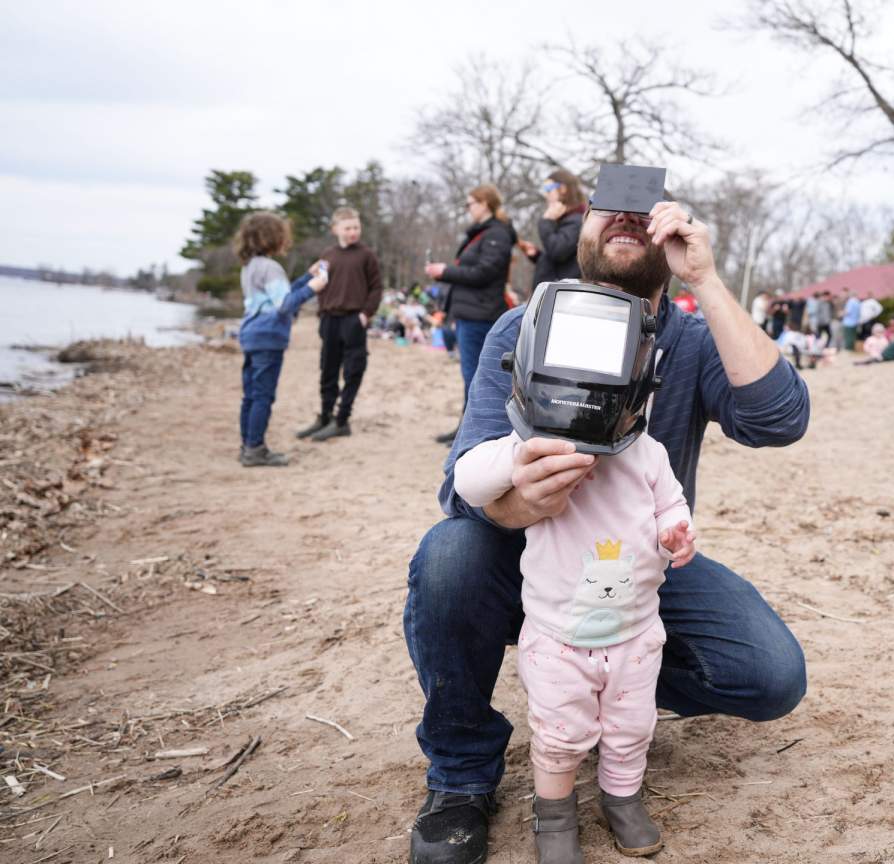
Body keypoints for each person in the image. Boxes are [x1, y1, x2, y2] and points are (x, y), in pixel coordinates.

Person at [404, 196, 811, 864]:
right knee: (448, 554)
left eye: (642, 210)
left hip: (634, 571)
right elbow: (459, 484)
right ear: (579, 236)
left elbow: (781, 419)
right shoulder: (521, 326)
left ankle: (605, 688)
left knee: (770, 675)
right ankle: (461, 776)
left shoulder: (692, 340)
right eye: (605, 207)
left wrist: (705, 281)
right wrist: (520, 504)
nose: (623, 218)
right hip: (522, 559)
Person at [453, 363, 695, 862]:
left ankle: (622, 797)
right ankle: (555, 813)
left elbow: (672, 503)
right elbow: (468, 481)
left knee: (632, 726)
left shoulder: (649, 454)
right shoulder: (539, 446)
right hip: (558, 637)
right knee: (560, 733)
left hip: (635, 632)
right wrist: (522, 455)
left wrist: (675, 532)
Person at [425, 184, 517, 444]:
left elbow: (483, 272)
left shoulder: (496, 234)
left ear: (484, 203)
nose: (468, 209)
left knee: (477, 377)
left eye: (470, 204)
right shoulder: (485, 233)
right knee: (472, 376)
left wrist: (445, 271)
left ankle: (473, 432)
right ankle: (466, 428)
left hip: (481, 315)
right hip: (471, 313)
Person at [234, 212, 328, 467]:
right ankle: (255, 449)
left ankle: (247, 445)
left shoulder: (251, 265)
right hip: (268, 336)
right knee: (263, 395)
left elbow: (279, 295)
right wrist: (314, 288)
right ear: (273, 237)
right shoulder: (271, 267)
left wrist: (307, 278)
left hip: (250, 333)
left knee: (250, 395)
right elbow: (285, 304)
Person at [295, 206, 383, 443]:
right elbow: (320, 283)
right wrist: (322, 311)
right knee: (328, 369)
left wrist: (365, 314)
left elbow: (376, 288)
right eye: (347, 228)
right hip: (330, 319)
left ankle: (342, 419)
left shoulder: (366, 255)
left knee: (353, 369)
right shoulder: (328, 255)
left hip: (354, 319)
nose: (353, 232)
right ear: (335, 229)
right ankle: (325, 416)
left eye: (356, 227)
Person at [517, 170, 586, 292]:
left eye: (549, 189)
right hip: (556, 292)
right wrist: (538, 256)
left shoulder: (577, 220)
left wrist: (546, 221)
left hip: (562, 296)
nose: (546, 195)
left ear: (563, 189)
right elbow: (560, 260)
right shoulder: (567, 219)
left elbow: (558, 251)